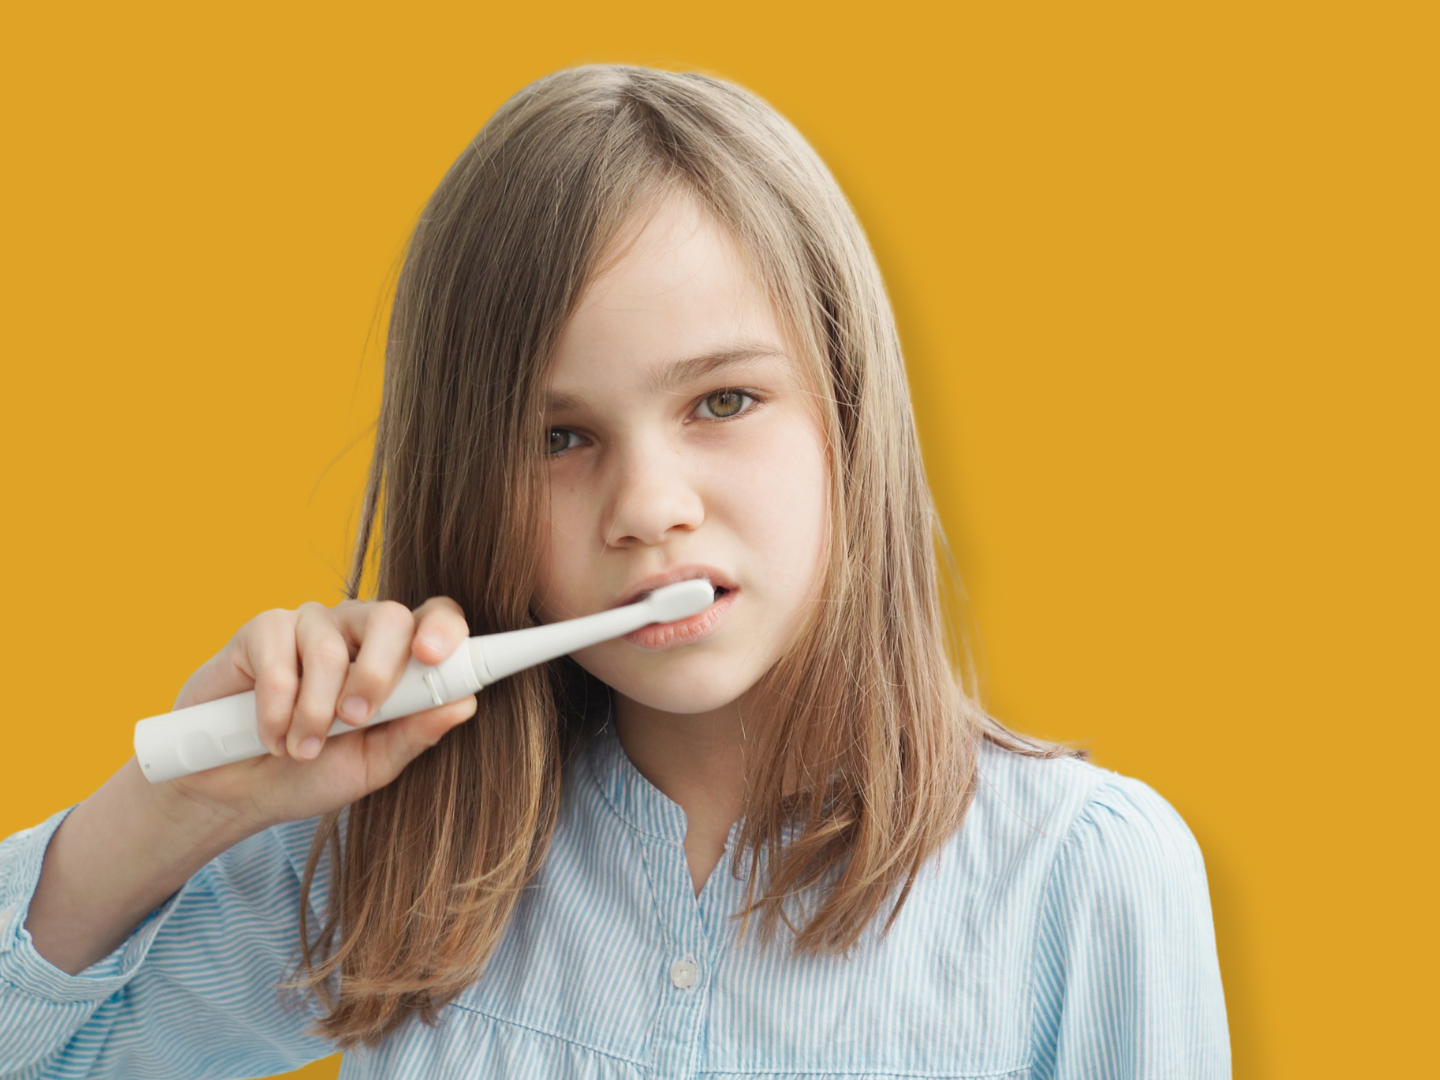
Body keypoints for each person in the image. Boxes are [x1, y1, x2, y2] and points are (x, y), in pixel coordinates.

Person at [0, 66, 1230, 1079]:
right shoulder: (393, 858)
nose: (648, 509)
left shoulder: (1087, 879)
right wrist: (178, 812)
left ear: (852, 421)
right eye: (560, 439)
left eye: (724, 400)